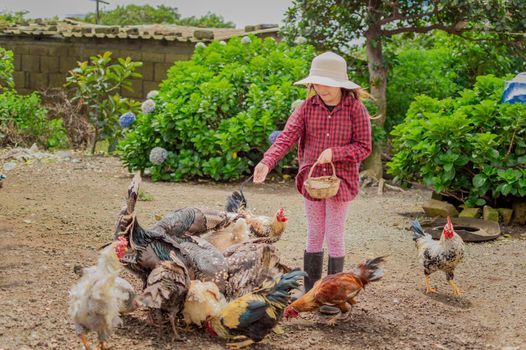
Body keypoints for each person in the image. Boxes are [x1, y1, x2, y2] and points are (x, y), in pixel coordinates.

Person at [253, 51, 372, 313]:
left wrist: (336, 153)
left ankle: (335, 295)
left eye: (327, 83)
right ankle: (311, 293)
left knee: (335, 235)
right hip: (312, 183)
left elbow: (364, 147)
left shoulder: (356, 109)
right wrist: (266, 162)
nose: (321, 89)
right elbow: (285, 138)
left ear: (341, 84)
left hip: (342, 183)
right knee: (315, 234)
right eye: (316, 83)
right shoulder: (306, 108)